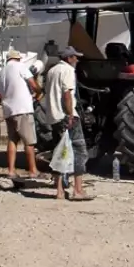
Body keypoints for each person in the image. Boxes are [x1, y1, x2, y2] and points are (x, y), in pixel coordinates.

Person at [43, 46, 89, 200]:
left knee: (59, 153)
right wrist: (70, 115)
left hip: (53, 117)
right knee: (79, 151)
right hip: (66, 116)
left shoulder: (51, 71)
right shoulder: (68, 71)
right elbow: (67, 94)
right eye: (75, 57)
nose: (77, 60)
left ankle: (59, 191)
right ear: (69, 58)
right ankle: (78, 190)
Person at [0, 49, 40, 179]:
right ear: (18, 58)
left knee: (12, 140)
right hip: (22, 108)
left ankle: (11, 170)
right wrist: (39, 91)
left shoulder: (1, 73)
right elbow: (33, 84)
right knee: (29, 141)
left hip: (8, 109)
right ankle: (33, 170)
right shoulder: (21, 66)